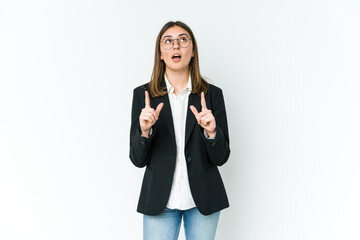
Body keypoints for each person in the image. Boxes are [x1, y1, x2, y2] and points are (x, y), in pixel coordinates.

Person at [129, 21, 231, 240]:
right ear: (160, 53)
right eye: (168, 41)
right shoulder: (143, 96)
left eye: (183, 40)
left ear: (192, 51)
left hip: (203, 200)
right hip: (159, 201)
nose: (176, 46)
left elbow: (222, 157)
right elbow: (137, 159)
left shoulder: (212, 95)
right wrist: (144, 132)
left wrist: (212, 133)